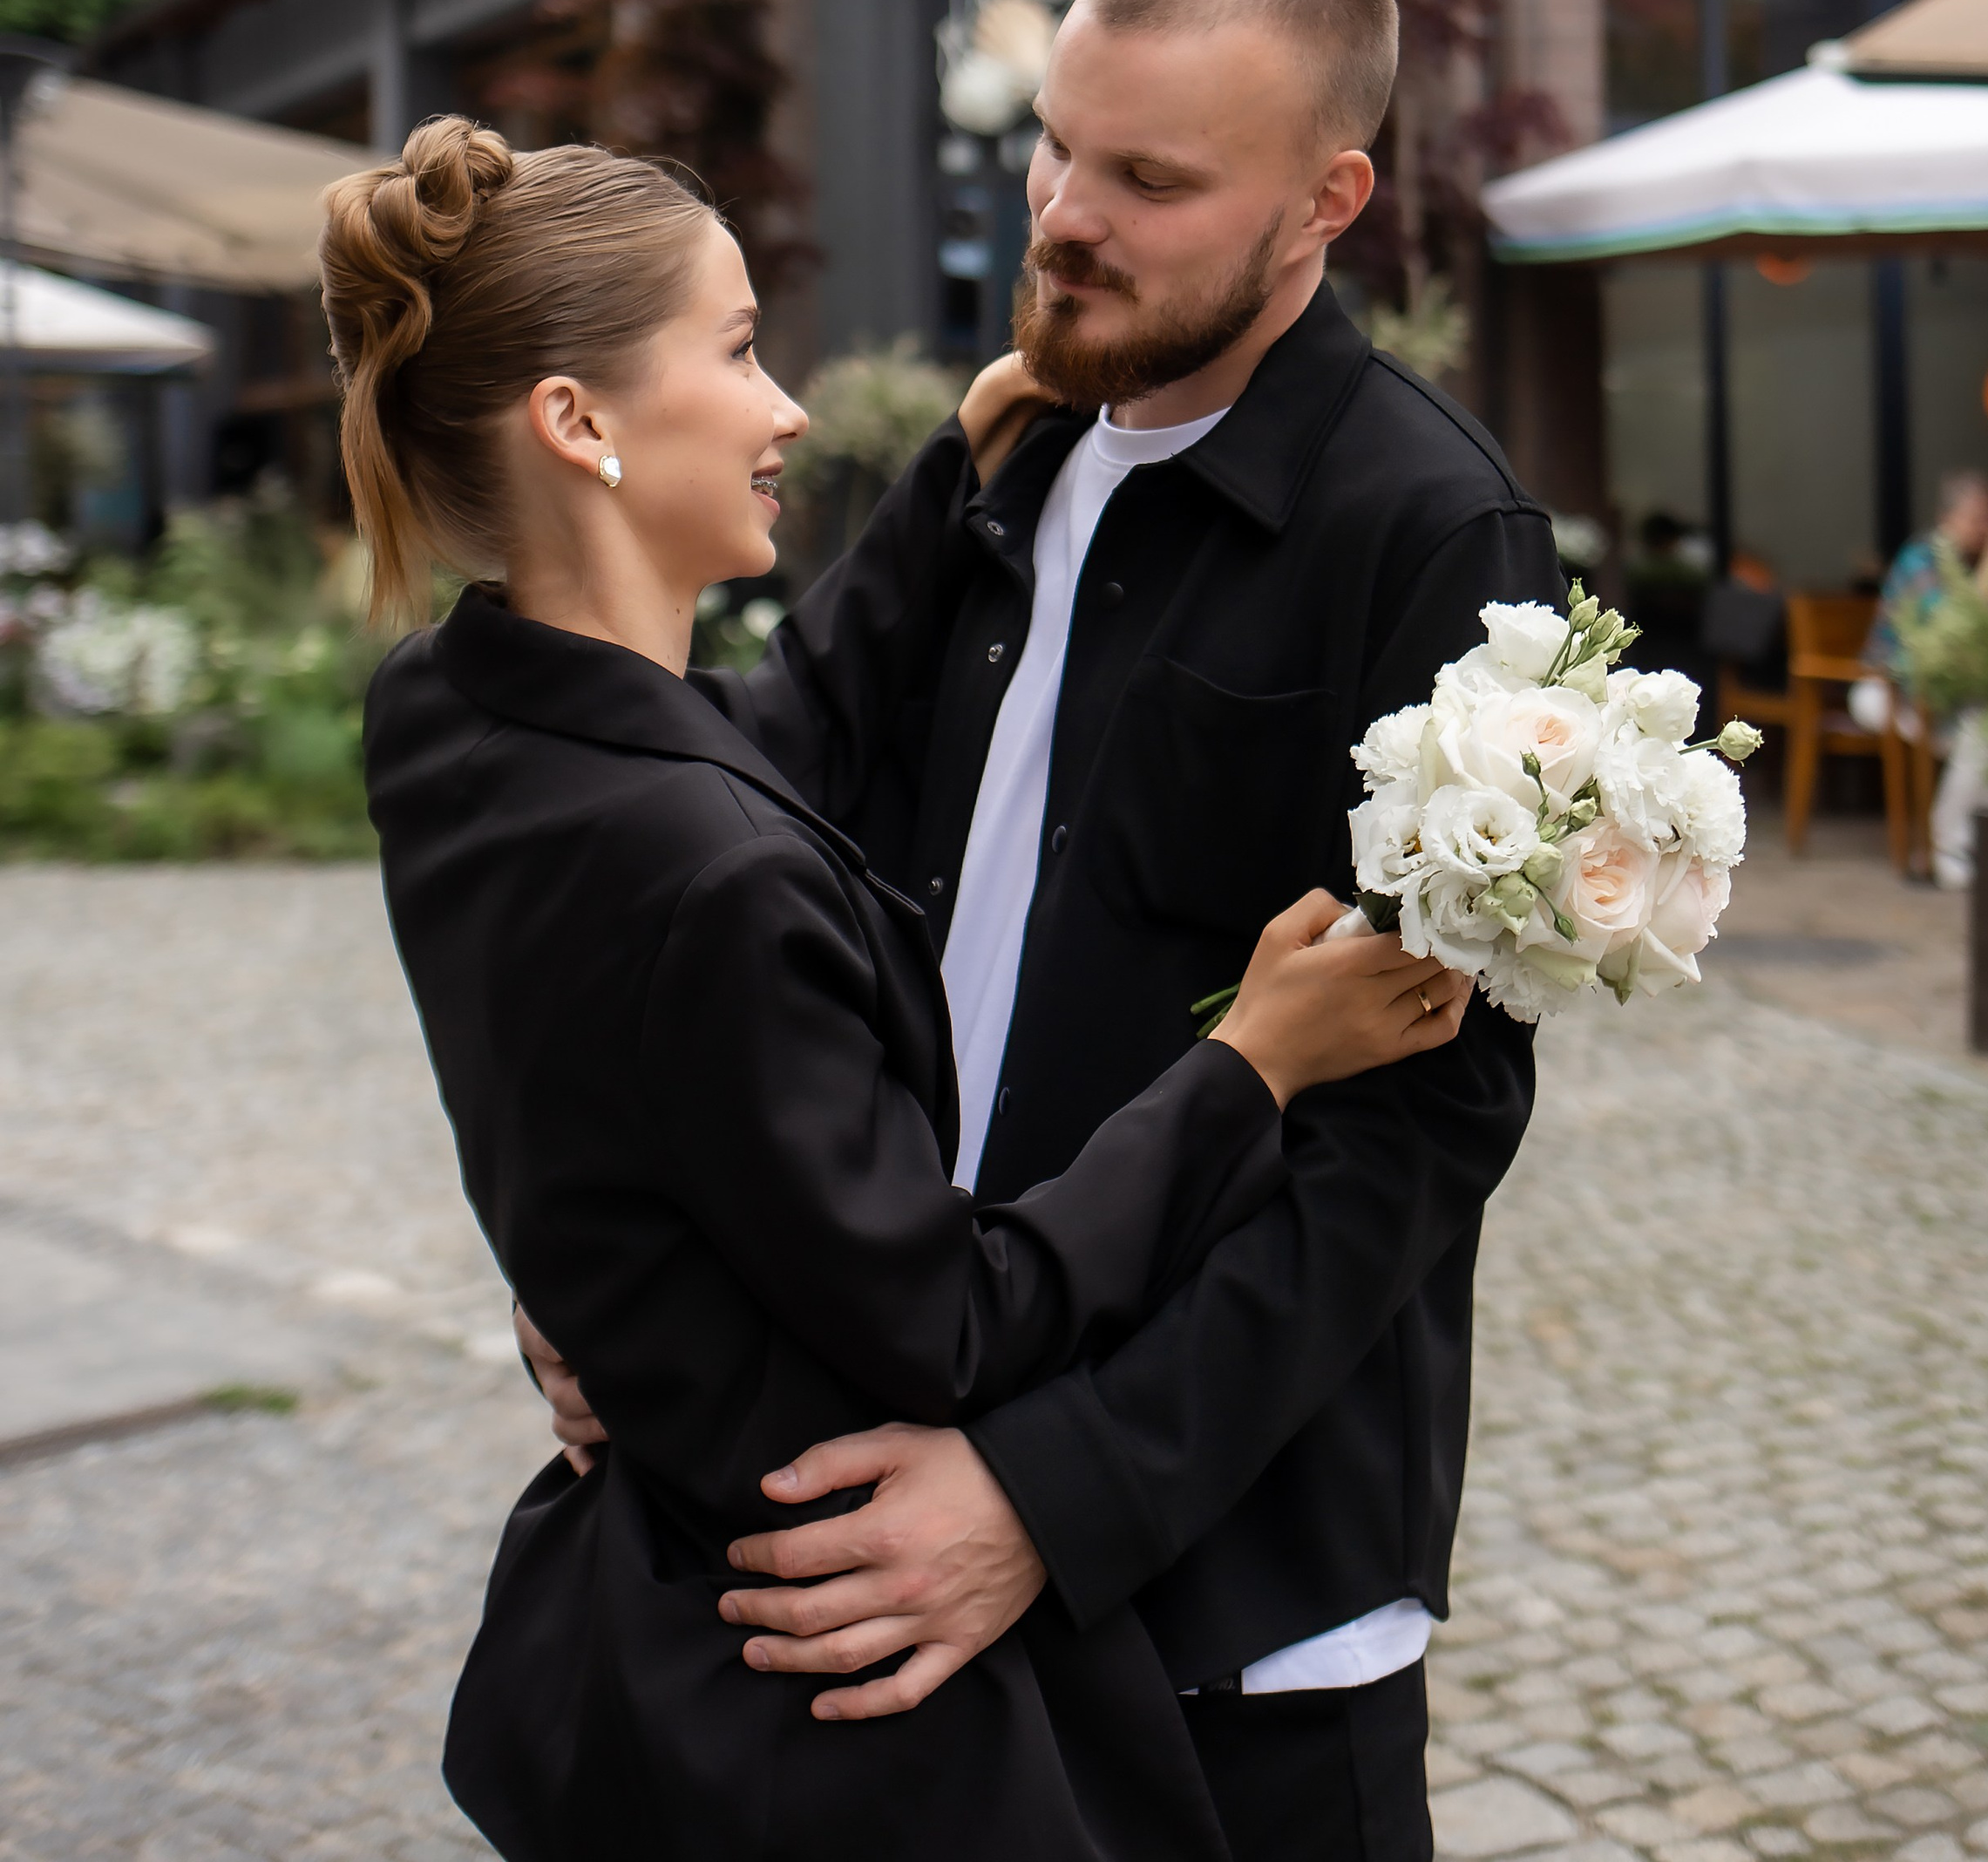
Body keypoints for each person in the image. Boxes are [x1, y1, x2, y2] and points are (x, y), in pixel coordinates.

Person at [526, 0, 1560, 1862]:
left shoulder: (1426, 532)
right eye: (1052, 141)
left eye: (1149, 178)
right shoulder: (1008, 467)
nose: (1063, 211)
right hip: (888, 1569)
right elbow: (755, 894)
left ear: (1325, 197)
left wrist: (1044, 1493)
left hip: (1227, 1641)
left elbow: (1408, 1144)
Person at [327, 117, 1470, 1862]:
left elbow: (758, 736)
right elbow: (953, 1315)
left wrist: (950, 483)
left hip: (632, 1653)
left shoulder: (444, 717)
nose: (786, 408)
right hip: (825, 1716)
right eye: (733, 352)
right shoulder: (706, 876)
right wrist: (1247, 1065)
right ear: (577, 424)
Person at [1853, 468, 1988, 887]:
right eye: (1978, 519)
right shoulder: (1922, 559)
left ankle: (1971, 844)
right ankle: (1947, 849)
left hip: (1946, 695)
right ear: (1948, 518)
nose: (1987, 530)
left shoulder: (1969, 566)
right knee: (1983, 733)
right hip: (1889, 692)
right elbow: (1956, 628)